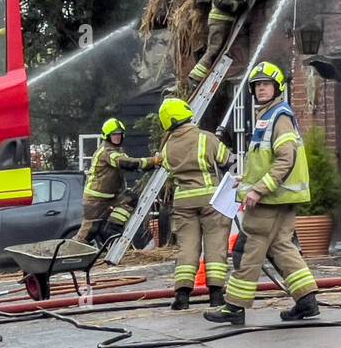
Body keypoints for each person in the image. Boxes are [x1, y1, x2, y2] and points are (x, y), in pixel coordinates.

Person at [204, 61, 319, 326]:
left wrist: (257, 189)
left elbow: (285, 159)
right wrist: (247, 179)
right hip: (282, 196)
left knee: (248, 250)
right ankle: (307, 300)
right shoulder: (270, 116)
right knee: (281, 246)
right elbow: (268, 160)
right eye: (257, 86)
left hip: (271, 198)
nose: (261, 89)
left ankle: (233, 307)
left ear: (277, 87)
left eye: (266, 85)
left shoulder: (278, 117)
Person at [158, 97, 233, 310]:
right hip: (211, 200)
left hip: (183, 203)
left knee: (187, 247)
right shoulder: (206, 138)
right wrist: (219, 142)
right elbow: (227, 159)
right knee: (215, 243)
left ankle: (182, 296)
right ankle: (216, 295)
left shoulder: (167, 146)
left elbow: (167, 169)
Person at [74, 119, 160, 244]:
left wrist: (152, 165)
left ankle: (113, 228)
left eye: (119, 134)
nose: (117, 137)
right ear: (107, 136)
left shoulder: (116, 151)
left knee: (130, 199)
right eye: (114, 134)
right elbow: (127, 163)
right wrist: (153, 160)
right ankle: (70, 253)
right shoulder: (107, 152)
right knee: (89, 232)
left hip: (111, 196)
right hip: (95, 199)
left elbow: (133, 164)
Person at [187, 0, 244, 96]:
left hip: (224, 22)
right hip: (219, 22)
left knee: (218, 49)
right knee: (213, 50)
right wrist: (236, 5)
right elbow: (219, 1)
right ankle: (195, 77)